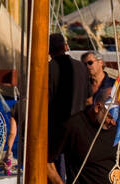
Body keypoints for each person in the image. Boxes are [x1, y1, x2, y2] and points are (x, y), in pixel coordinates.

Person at [47, 87, 119, 184]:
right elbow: (45, 160)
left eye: (117, 118)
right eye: (110, 117)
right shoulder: (74, 125)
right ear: (97, 108)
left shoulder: (118, 127)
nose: (113, 122)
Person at [47, 34, 77, 173]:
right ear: (66, 47)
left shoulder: (47, 70)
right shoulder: (82, 68)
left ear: (48, 50)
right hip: (78, 131)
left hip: (56, 130)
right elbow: (88, 99)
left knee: (55, 167)